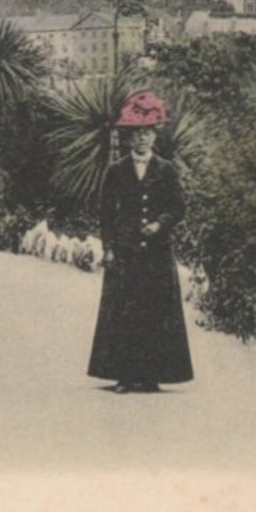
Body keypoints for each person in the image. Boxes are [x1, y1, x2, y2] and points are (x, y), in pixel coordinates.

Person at [87, 90, 193, 394]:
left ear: (155, 135)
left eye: (147, 134)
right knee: (124, 311)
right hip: (125, 251)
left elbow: (179, 207)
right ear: (129, 137)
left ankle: (151, 376)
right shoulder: (116, 171)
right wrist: (108, 248)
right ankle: (124, 375)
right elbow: (106, 213)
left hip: (157, 252)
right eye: (136, 134)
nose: (141, 140)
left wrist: (160, 223)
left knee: (155, 312)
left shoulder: (167, 169)